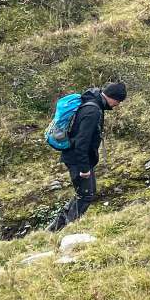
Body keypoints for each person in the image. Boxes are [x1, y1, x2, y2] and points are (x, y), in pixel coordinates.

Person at [49, 81, 126, 231]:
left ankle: (55, 229)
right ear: (112, 97)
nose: (117, 104)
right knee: (85, 195)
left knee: (84, 194)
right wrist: (84, 168)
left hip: (77, 158)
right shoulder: (93, 111)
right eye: (118, 101)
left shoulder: (92, 103)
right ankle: (66, 229)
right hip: (77, 159)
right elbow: (82, 142)